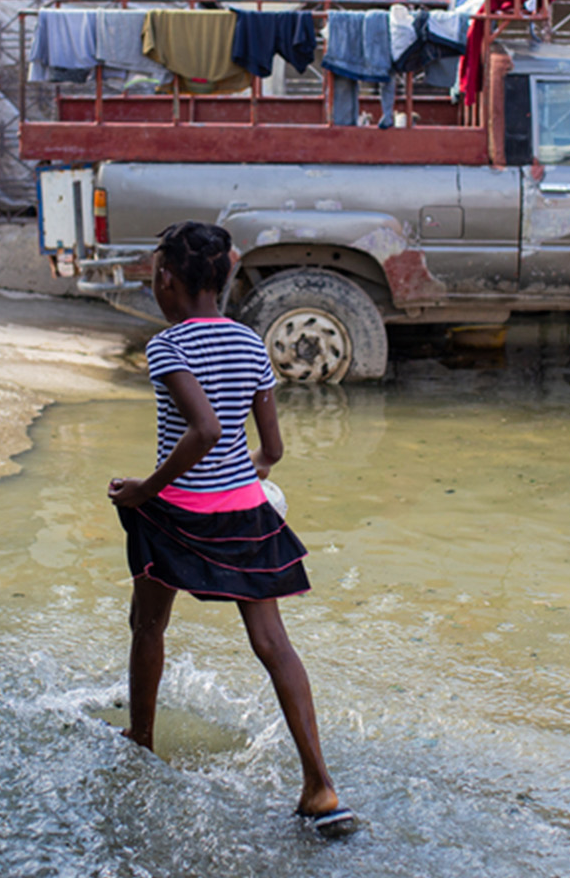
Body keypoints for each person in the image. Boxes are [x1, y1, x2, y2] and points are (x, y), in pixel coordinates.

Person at [107, 221, 359, 838]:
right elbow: (269, 445)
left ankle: (141, 736)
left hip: (176, 513)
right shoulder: (250, 343)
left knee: (148, 624)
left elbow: (205, 431)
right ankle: (321, 787)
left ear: (166, 280)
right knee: (274, 645)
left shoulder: (168, 347)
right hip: (246, 513)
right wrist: (251, 476)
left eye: (153, 274)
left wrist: (144, 490)